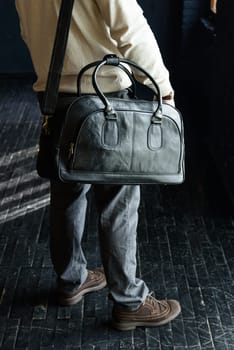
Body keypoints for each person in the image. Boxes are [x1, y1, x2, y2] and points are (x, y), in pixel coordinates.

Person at [15, 0, 181, 331]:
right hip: (103, 95)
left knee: (66, 190)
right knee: (119, 200)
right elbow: (130, 28)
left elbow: (27, 31)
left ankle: (72, 280)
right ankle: (129, 301)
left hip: (54, 95)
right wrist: (162, 86)